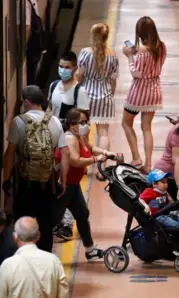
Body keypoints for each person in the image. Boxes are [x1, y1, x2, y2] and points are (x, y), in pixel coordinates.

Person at [2, 85, 64, 253]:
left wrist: (6, 180)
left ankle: (23, 255)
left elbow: (10, 153)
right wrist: (62, 181)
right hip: (48, 182)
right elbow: (64, 154)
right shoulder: (55, 121)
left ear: (27, 102)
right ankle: (44, 256)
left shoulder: (19, 122)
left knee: (23, 222)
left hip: (25, 183)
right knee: (45, 225)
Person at [54, 108, 113, 260]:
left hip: (73, 184)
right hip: (64, 184)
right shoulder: (69, 138)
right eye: (82, 122)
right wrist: (95, 160)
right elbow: (74, 160)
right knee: (53, 220)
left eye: (86, 122)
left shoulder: (79, 136)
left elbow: (91, 148)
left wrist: (106, 154)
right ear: (72, 125)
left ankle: (90, 249)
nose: (86, 125)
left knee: (82, 214)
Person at [48, 50, 91, 241]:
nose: (63, 70)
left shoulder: (79, 91)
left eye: (67, 67)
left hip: (67, 140)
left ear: (74, 69)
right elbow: (49, 111)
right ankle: (61, 221)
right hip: (54, 139)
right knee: (59, 180)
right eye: (61, 66)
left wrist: (83, 143)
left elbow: (83, 121)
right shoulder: (53, 86)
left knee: (68, 180)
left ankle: (65, 223)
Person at [122, 16, 167, 173]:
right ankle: (148, 164)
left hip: (139, 91)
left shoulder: (142, 50)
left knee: (126, 123)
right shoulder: (162, 47)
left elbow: (136, 73)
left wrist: (129, 56)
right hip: (155, 89)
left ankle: (136, 158)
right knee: (146, 128)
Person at [77, 23, 119, 181]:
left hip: (86, 95)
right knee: (103, 133)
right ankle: (101, 169)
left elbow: (79, 76)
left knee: (83, 131)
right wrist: (110, 95)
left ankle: (84, 165)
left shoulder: (85, 53)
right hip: (105, 96)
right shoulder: (113, 55)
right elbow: (114, 81)